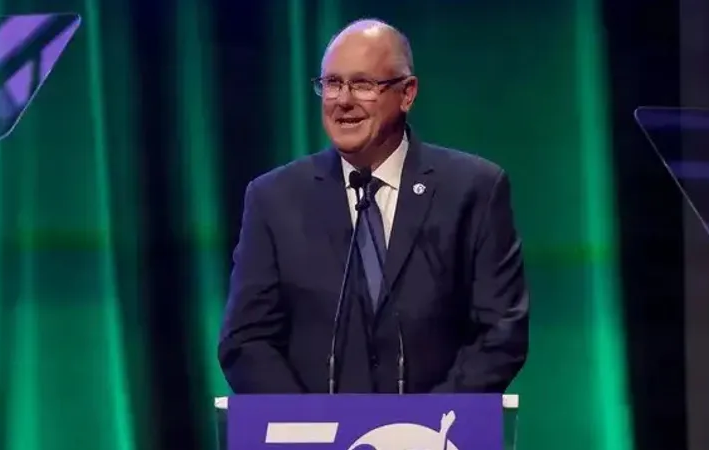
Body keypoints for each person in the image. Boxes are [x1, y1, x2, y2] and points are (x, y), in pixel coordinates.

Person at [218, 18, 529, 394]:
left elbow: (501, 333)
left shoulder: (473, 190)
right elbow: (246, 341)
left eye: (363, 84)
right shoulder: (274, 198)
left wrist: (428, 421)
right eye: (332, 83)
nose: (343, 100)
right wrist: (308, 421)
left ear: (407, 93)